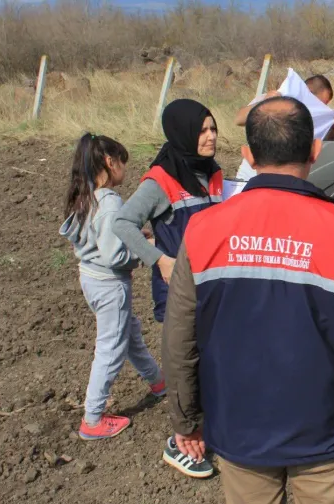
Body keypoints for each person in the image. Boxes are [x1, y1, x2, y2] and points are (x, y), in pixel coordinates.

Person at [161, 96, 334, 504]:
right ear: (315, 150)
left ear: (248, 156)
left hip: (238, 427)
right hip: (324, 431)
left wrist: (185, 418)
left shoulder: (202, 230)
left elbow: (179, 337)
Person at [112, 98, 223, 478]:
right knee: (186, 367)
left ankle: (206, 431)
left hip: (212, 285)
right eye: (202, 130)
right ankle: (180, 443)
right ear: (183, 133)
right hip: (180, 290)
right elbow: (123, 222)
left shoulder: (213, 173)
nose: (210, 137)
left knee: (211, 362)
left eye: (213, 129)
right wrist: (158, 259)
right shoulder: (160, 180)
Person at [59, 133, 165, 440]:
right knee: (111, 348)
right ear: (110, 161)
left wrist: (133, 235)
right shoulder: (109, 202)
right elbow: (114, 255)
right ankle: (92, 419)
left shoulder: (86, 196)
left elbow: (99, 238)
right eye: (123, 162)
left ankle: (158, 382)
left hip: (92, 279)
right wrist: (145, 249)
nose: (125, 169)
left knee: (128, 334)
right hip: (110, 285)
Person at [233, 74, 334, 181]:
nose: (322, 108)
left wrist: (332, 127)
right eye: (320, 104)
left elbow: (318, 139)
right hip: (251, 176)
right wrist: (265, 102)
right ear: (308, 93)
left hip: (283, 181)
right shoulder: (275, 96)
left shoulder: (310, 116)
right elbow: (239, 119)